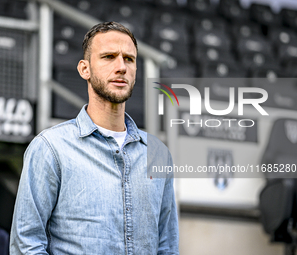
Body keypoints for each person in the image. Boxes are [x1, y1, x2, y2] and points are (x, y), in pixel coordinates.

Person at [10, 21, 179, 254]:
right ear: (84, 69)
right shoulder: (51, 148)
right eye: (109, 56)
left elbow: (167, 246)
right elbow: (26, 245)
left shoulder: (157, 153)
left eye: (129, 59)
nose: (121, 67)